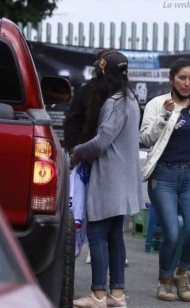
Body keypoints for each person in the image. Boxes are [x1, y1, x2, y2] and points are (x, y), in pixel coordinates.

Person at [140, 58, 190, 302]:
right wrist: (165, 115)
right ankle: (164, 281)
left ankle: (181, 272)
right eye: (182, 78)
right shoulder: (157, 104)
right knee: (172, 234)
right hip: (163, 176)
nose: (187, 83)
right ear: (171, 79)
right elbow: (145, 138)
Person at [71, 51, 144, 308]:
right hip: (124, 179)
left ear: (104, 74)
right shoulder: (131, 99)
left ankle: (99, 295)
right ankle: (117, 295)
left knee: (97, 233)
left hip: (110, 178)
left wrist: (77, 152)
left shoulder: (115, 102)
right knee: (114, 236)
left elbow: (102, 141)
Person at [63, 48, 114, 153]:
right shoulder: (85, 92)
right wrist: (74, 150)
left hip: (115, 156)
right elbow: (72, 123)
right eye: (104, 63)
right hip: (87, 155)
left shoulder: (126, 96)